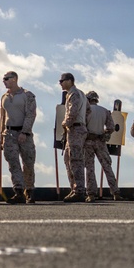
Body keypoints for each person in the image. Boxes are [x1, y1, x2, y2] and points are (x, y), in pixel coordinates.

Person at [0, 71, 37, 204]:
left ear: (15, 79)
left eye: (6, 78)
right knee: (13, 164)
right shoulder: (4, 97)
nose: (4, 81)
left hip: (23, 133)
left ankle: (30, 191)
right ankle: (19, 191)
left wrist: (25, 132)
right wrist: (1, 136)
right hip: (9, 134)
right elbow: (3, 117)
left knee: (28, 163)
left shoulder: (27, 95)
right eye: (3, 79)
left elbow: (31, 114)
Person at [84, 91, 121, 201]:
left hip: (88, 141)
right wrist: (104, 134)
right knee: (107, 167)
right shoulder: (104, 111)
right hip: (100, 141)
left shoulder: (85, 110)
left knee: (90, 168)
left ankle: (91, 194)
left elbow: (82, 126)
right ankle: (115, 192)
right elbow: (111, 127)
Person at [58, 73, 88, 202]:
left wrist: (65, 123)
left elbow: (73, 111)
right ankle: (74, 188)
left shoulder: (74, 93)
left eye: (62, 81)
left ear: (70, 81)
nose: (60, 83)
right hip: (77, 128)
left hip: (75, 128)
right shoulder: (81, 93)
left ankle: (79, 190)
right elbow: (89, 111)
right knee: (68, 159)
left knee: (75, 160)